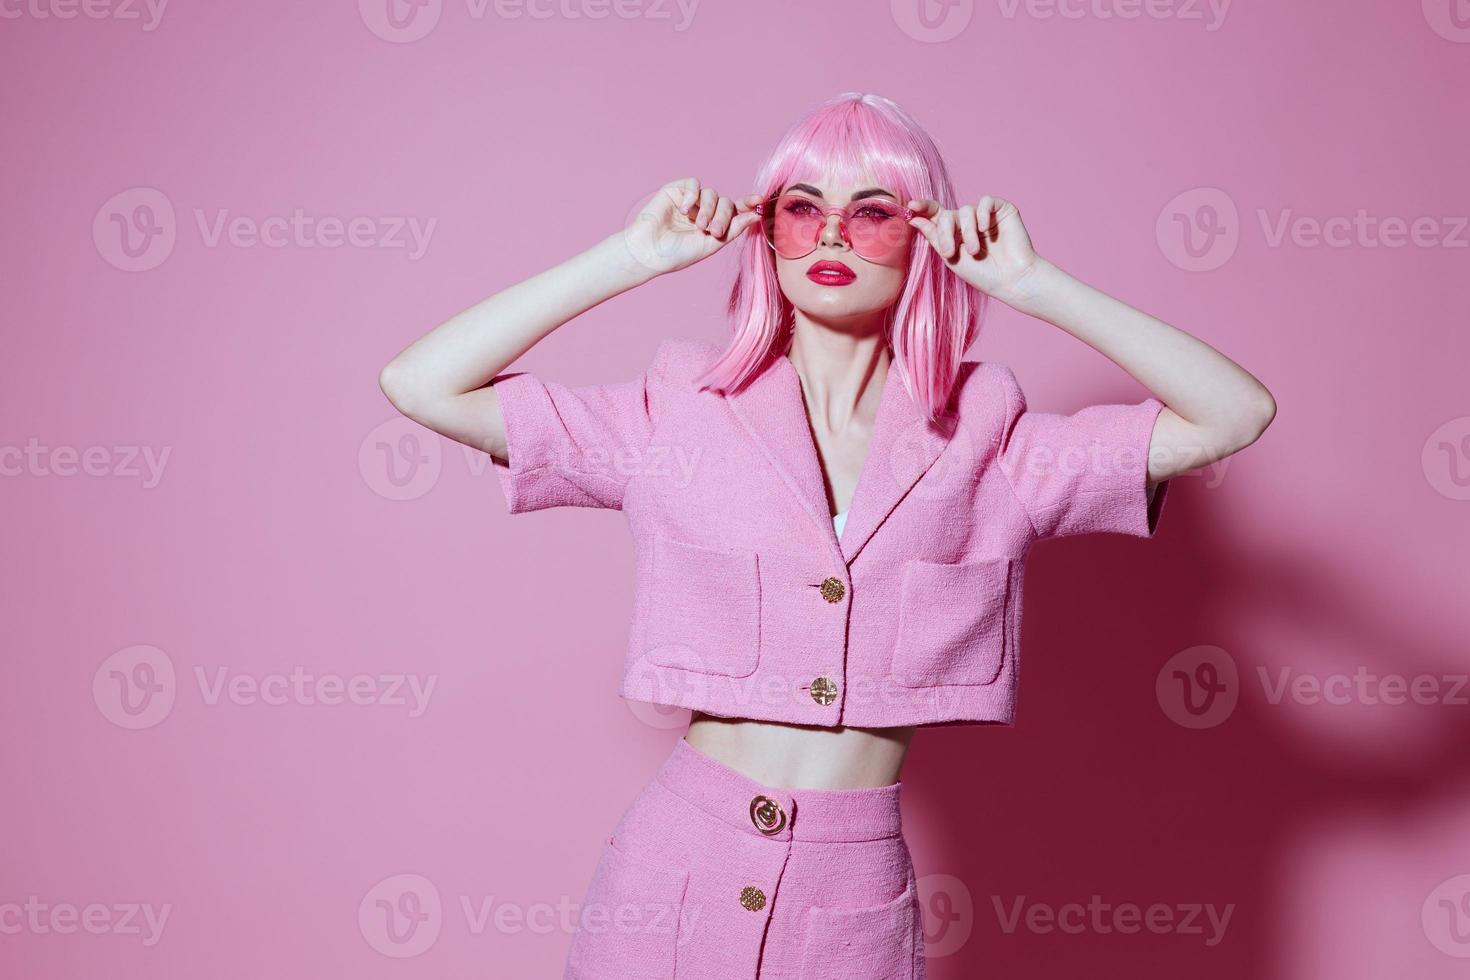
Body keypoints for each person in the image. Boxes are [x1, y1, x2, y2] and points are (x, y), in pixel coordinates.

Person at [378, 92, 1275, 980]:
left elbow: (1233, 413)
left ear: (924, 234)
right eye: (802, 210)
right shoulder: (678, 413)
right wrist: (630, 257)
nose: (834, 236)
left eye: (873, 212)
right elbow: (424, 384)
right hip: (672, 875)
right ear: (766, 234)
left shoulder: (989, 442)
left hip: (852, 902)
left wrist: (1038, 286)